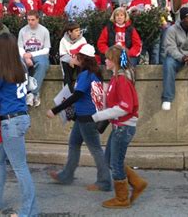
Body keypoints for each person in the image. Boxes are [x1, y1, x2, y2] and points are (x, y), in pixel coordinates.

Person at [0, 33, 38, 217]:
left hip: (9, 122)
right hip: (19, 117)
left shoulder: (1, 69)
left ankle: (29, 211)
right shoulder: (20, 65)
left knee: (20, 167)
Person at [46, 43, 112, 192]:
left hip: (86, 118)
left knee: (95, 149)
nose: (73, 57)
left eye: (75, 55)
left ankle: (104, 181)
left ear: (83, 58)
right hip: (85, 117)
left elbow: (77, 95)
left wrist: (55, 110)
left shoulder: (85, 75)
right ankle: (66, 175)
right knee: (75, 145)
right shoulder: (93, 73)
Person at [92, 45, 147, 208]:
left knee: (115, 163)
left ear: (115, 61)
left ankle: (122, 199)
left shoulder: (121, 79)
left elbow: (125, 107)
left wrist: (98, 116)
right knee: (111, 159)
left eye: (108, 58)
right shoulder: (117, 78)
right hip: (120, 126)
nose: (105, 61)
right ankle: (137, 183)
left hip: (123, 127)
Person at [18, 10, 51, 107]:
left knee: (42, 64)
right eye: (28, 20)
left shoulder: (44, 31)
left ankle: (32, 93)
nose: (30, 22)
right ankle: (26, 94)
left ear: (38, 19)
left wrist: (31, 55)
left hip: (39, 55)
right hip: (25, 55)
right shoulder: (22, 31)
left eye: (32, 20)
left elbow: (46, 50)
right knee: (20, 65)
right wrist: (26, 56)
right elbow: (20, 48)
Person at [146, 0, 170, 64]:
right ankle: (155, 67)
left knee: (164, 46)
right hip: (156, 21)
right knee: (156, 46)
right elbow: (147, 7)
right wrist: (158, 16)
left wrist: (168, 8)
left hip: (166, 20)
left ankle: (162, 66)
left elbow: (168, 4)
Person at [59, 21, 87, 92]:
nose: (79, 32)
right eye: (76, 30)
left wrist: (75, 59)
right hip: (68, 60)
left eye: (79, 30)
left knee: (81, 67)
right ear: (69, 32)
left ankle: (78, 89)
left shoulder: (82, 40)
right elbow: (62, 54)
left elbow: (84, 53)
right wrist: (70, 60)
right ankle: (67, 92)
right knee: (66, 70)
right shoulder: (63, 40)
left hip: (78, 60)